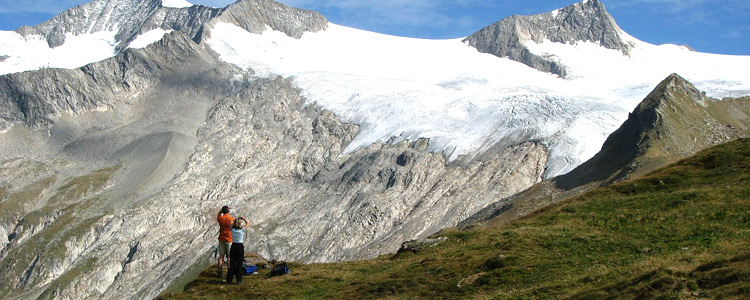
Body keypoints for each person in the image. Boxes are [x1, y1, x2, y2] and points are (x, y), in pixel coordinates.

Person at [227, 217, 249, 284]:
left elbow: (231, 221)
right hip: (240, 246)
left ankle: (229, 280)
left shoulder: (232, 229)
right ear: (240, 224)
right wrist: (242, 218)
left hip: (233, 246)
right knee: (239, 263)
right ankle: (239, 280)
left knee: (232, 264)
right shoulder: (242, 230)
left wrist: (235, 219)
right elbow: (248, 223)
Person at [216, 206, 234, 278]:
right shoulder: (231, 219)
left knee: (221, 256)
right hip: (229, 239)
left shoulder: (220, 218)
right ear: (228, 211)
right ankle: (229, 271)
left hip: (221, 238)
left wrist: (222, 210)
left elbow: (218, 213)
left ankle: (219, 270)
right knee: (229, 256)